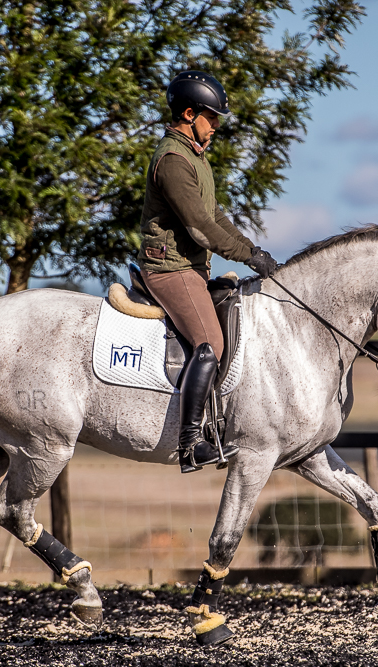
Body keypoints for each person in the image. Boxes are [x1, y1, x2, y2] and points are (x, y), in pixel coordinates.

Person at [139, 70, 278, 474]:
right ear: (188, 113)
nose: (216, 125)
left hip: (192, 267)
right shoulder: (172, 161)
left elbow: (215, 215)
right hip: (169, 268)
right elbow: (199, 227)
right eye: (211, 117)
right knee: (210, 343)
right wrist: (246, 258)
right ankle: (190, 443)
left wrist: (252, 249)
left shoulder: (196, 158)